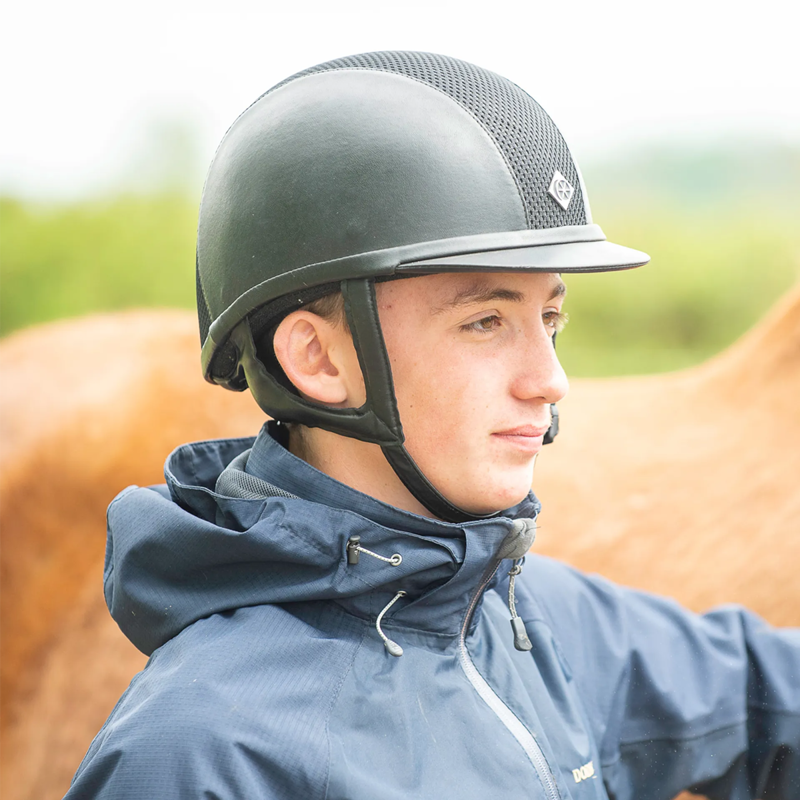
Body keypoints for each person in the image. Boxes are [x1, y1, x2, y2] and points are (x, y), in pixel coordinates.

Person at [65, 51, 799, 799]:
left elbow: (767, 694)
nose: (551, 380)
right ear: (318, 358)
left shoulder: (535, 620)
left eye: (550, 320)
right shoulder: (199, 754)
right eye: (486, 322)